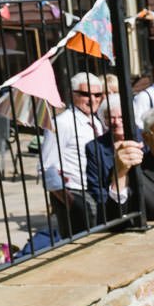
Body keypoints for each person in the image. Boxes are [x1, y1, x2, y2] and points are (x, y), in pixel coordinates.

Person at [40, 72, 109, 236]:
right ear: (73, 95)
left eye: (98, 95)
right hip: (76, 192)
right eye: (85, 94)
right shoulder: (63, 123)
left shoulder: (95, 121)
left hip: (97, 190)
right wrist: (69, 201)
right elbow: (46, 166)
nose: (92, 100)